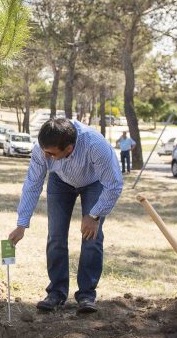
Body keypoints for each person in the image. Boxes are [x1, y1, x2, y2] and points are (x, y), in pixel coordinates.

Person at [8, 118, 123, 314]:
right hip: (60, 182)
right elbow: (33, 184)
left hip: (94, 183)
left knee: (91, 237)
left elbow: (114, 185)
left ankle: (86, 295)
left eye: (51, 153)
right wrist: (22, 223)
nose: (46, 156)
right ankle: (56, 292)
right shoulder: (42, 149)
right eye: (44, 151)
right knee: (56, 235)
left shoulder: (96, 145)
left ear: (68, 149)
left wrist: (94, 215)